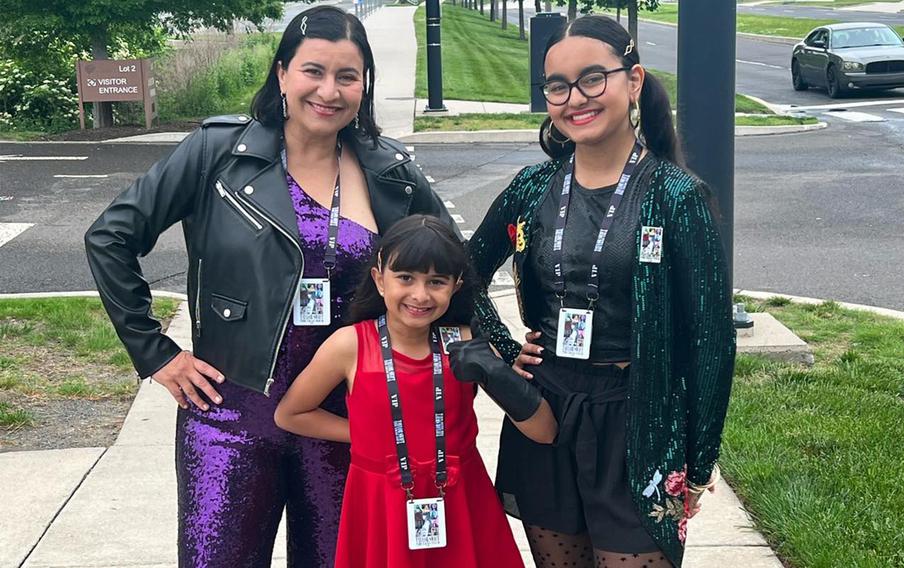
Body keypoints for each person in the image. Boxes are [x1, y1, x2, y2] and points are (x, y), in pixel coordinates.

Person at [83, 7, 456, 567]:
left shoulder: (391, 172)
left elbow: (455, 270)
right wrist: (156, 354)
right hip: (229, 413)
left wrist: (488, 354)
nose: (329, 90)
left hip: (345, 422)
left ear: (364, 86)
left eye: (347, 76)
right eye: (313, 71)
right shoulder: (218, 152)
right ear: (281, 74)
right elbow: (109, 238)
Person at [465, 15, 736, 568]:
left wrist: (700, 463)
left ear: (633, 81)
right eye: (557, 86)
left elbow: (711, 341)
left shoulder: (677, 197)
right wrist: (505, 345)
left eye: (594, 79)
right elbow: (464, 272)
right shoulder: (533, 186)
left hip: (639, 416)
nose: (575, 99)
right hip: (545, 410)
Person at [274, 215, 556, 568]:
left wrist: (498, 373)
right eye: (405, 277)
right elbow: (290, 413)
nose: (420, 295)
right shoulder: (350, 345)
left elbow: (544, 432)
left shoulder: (467, 343)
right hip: (380, 503)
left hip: (462, 500)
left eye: (436, 281)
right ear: (379, 279)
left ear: (455, 286)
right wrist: (367, 436)